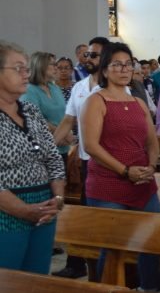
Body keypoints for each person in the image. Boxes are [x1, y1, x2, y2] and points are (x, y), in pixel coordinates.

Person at [81, 42, 160, 292]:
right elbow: (91, 146)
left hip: (143, 182)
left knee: (152, 241)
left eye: (128, 64)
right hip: (108, 183)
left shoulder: (138, 102)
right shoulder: (96, 101)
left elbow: (152, 142)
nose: (124, 69)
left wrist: (151, 165)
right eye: (117, 64)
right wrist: (125, 171)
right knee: (112, 245)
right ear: (104, 70)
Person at [0, 41, 66, 274]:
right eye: (18, 68)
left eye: (26, 68)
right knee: (8, 288)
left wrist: (57, 198)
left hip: (45, 212)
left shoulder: (30, 110)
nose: (26, 74)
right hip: (6, 216)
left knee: (36, 283)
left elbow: (54, 158)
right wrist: (24, 210)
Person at [51, 36, 111, 279]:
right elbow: (67, 121)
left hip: (108, 164)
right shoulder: (79, 87)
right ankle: (77, 264)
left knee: (101, 219)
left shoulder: (115, 89)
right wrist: (50, 149)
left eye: (94, 55)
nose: (89, 58)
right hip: (88, 162)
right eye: (87, 54)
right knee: (84, 215)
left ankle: (103, 272)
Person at [21, 52, 71, 165]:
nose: (56, 67)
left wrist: (68, 133)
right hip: (43, 149)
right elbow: (33, 119)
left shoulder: (54, 87)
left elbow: (64, 114)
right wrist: (60, 134)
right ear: (40, 66)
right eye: (52, 64)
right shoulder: (30, 90)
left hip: (63, 147)